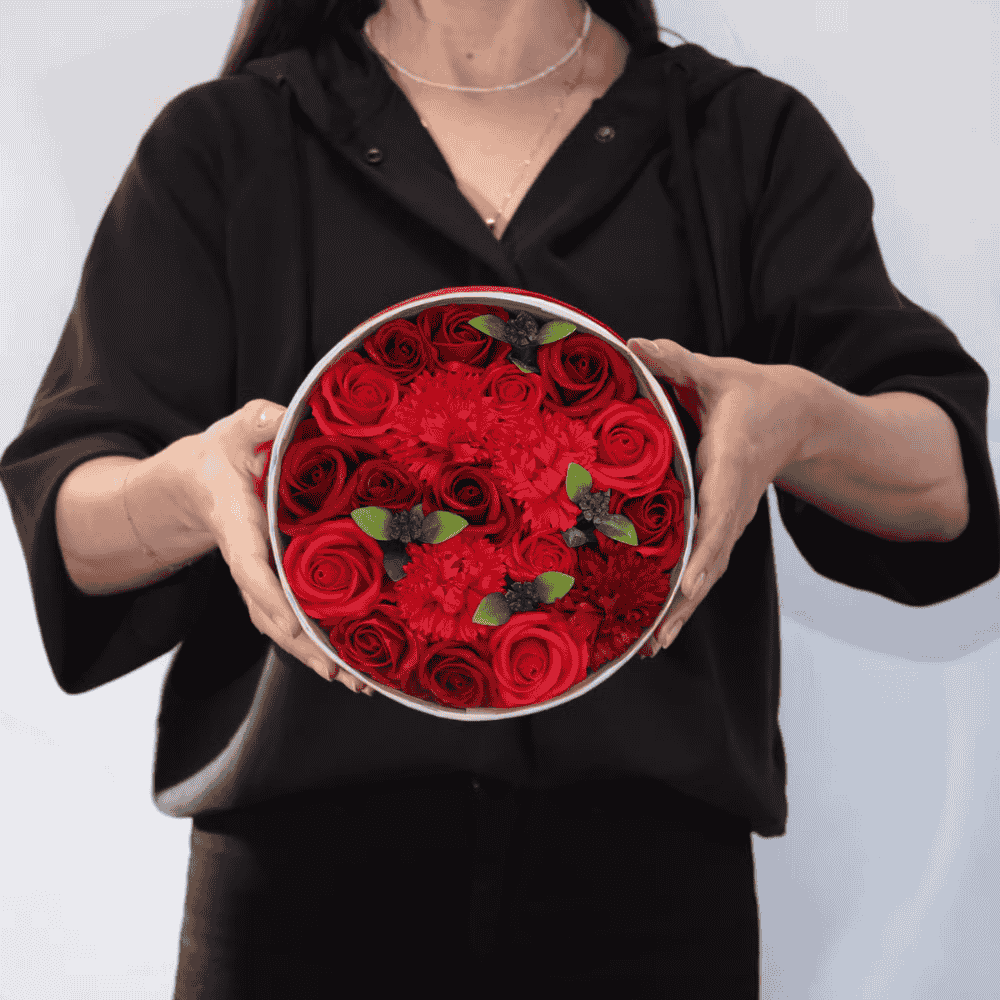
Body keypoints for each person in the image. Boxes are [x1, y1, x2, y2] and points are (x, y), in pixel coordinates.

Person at [1, 0, 997, 996]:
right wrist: (192, 489)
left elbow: (945, 483)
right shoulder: (224, 143)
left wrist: (804, 419)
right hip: (300, 906)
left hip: (648, 910)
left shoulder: (746, 139)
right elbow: (70, 503)